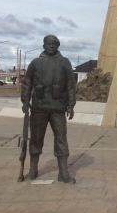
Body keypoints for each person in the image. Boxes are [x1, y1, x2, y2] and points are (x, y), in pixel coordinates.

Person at [20, 34, 76, 183]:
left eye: (54, 44)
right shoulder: (35, 63)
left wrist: (71, 105)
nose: (51, 46)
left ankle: (63, 172)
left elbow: (70, 85)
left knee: (61, 139)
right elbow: (27, 83)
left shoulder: (65, 63)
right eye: (48, 43)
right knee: (36, 139)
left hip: (58, 108)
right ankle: (33, 169)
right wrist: (25, 101)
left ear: (58, 46)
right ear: (43, 45)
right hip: (39, 107)